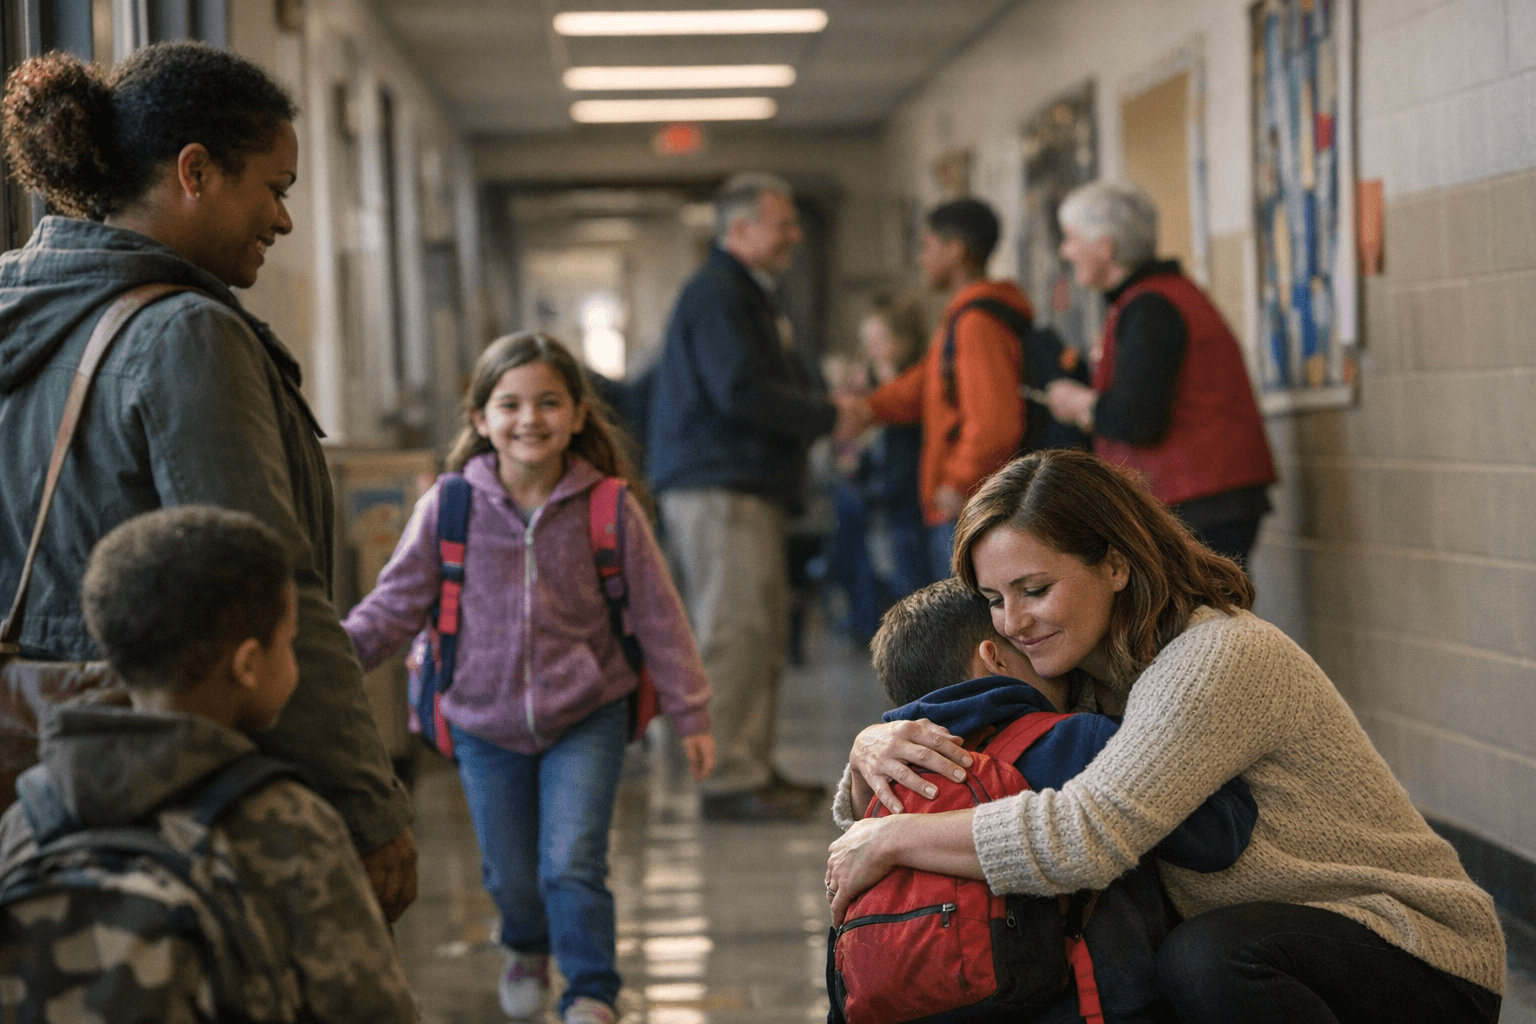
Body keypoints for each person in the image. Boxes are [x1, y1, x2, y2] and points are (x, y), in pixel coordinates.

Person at [825, 449, 1505, 1024]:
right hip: (1274, 946)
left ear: (1115, 565)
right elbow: (973, 764)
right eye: (996, 600)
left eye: (1034, 589)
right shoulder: (1078, 677)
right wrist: (871, 751)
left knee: (1206, 960)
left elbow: (1084, 836)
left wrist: (888, 837)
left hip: (1412, 948)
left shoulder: (1214, 657)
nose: (1013, 623)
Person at [0, 42, 416, 920]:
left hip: (36, 784)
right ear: (195, 171)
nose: (284, 220)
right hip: (175, 781)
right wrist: (367, 808)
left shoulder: (21, 316)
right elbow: (266, 589)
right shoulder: (184, 337)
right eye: (276, 188)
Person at [344, 332, 715, 1024]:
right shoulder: (450, 506)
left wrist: (691, 713)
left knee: (571, 861)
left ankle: (590, 990)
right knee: (512, 876)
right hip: (482, 720)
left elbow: (660, 615)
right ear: (480, 419)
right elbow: (392, 606)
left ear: (578, 414)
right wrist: (325, 665)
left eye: (549, 402)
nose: (529, 419)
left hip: (589, 711)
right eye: (509, 404)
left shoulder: (608, 506)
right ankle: (525, 944)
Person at [0, 505, 417, 1022]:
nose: (295, 660)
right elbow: (369, 1007)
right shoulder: (287, 822)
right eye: (290, 644)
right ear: (248, 665)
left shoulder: (29, 814)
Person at [846, 576, 1256, 1024]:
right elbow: (1221, 833)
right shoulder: (1077, 739)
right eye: (1030, 646)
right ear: (994, 656)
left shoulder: (885, 787)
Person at [646, 171, 841, 821]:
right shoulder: (718, 296)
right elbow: (741, 391)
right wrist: (827, 415)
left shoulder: (748, 295)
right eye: (780, 223)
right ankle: (728, 776)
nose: (793, 235)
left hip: (741, 485)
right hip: (718, 485)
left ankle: (752, 764)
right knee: (733, 632)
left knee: (756, 633)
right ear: (738, 230)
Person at [1044, 180, 1277, 566]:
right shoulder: (1161, 295)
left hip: (1199, 497)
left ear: (1105, 247)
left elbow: (1139, 418)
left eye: (1071, 238)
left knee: (1204, 624)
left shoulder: (1150, 306)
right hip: (1208, 493)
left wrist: (1079, 403)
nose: (1065, 251)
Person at [835, 199, 1033, 579]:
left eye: (928, 246)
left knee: (964, 631)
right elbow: (924, 384)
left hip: (965, 506)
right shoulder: (960, 317)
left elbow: (994, 423)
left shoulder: (977, 322)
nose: (922, 257)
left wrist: (958, 481)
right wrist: (866, 408)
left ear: (955, 250)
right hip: (958, 504)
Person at [855, 293, 931, 601]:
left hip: (909, 510)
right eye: (867, 342)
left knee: (914, 596)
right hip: (888, 511)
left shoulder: (911, 394)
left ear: (905, 341)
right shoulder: (880, 394)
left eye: (879, 340)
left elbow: (906, 460)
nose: (871, 351)